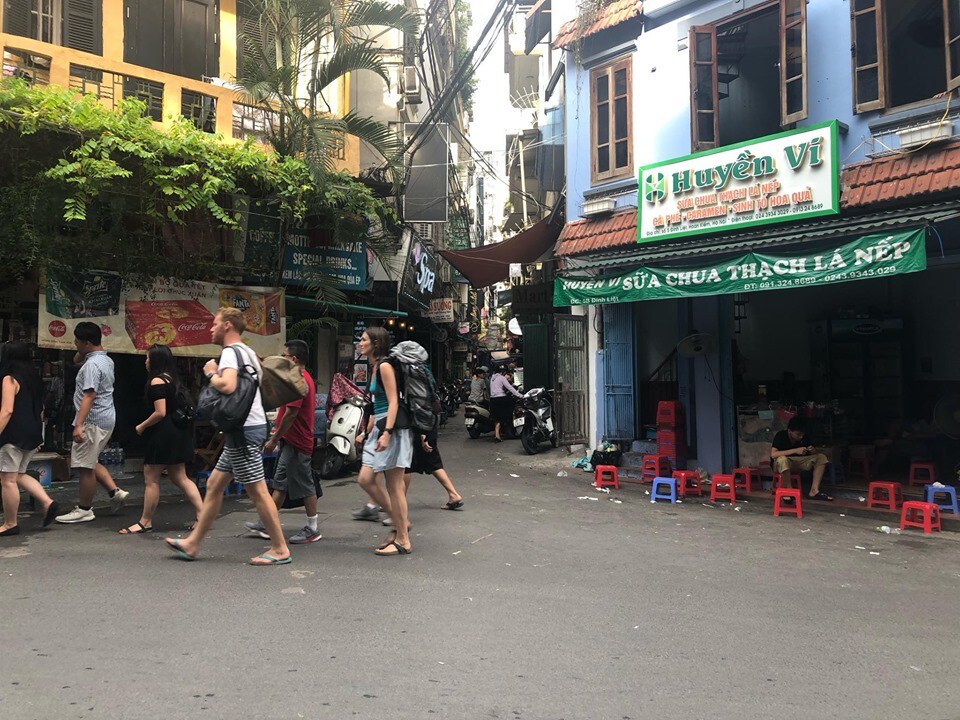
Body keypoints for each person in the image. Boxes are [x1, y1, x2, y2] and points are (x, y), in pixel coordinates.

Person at [164, 307, 291, 565]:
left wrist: (211, 372)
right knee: (214, 485)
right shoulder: (247, 351)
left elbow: (229, 385)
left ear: (227, 326)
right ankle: (193, 543)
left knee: (257, 491)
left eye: (214, 324)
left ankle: (279, 549)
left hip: (244, 431)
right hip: (245, 429)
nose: (210, 328)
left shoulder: (231, 353)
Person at [121, 344, 203, 534]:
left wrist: (141, 426)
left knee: (151, 479)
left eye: (148, 357)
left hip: (162, 435)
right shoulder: (172, 380)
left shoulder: (157, 381)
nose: (146, 361)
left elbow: (160, 412)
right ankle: (202, 515)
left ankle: (145, 521)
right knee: (180, 477)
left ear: (155, 360)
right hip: (177, 433)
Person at [244, 339, 319, 545]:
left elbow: (291, 414)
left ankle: (313, 528)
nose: (282, 358)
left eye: (284, 355)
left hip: (297, 441)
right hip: (290, 440)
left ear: (293, 359)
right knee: (281, 483)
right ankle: (267, 522)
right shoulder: (297, 377)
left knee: (304, 484)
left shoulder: (299, 379)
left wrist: (274, 439)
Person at [56, 322, 128, 524]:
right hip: (105, 416)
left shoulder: (92, 366)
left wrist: (78, 424)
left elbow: (89, 395)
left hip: (92, 419)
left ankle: (85, 508)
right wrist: (82, 351)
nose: (75, 344)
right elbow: (76, 358)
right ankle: (115, 492)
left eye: (77, 341)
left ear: (87, 342)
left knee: (84, 466)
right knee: (90, 459)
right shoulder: (105, 360)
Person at [352, 327, 415, 556]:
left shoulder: (385, 366)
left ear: (375, 344)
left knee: (395, 486)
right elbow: (375, 404)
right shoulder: (375, 366)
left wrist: (387, 432)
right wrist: (368, 432)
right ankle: (400, 525)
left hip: (392, 428)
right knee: (366, 479)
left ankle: (403, 539)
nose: (360, 343)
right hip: (379, 427)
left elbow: (392, 402)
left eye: (364, 339)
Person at [0, 343, 59, 535]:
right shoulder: (33, 379)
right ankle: (47, 502)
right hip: (32, 433)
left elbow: (7, 410)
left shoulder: (9, 379)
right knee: (19, 474)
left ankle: (10, 523)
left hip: (13, 434)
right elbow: (40, 410)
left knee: (7, 480)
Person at [771, 416, 833, 500]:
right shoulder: (781, 435)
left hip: (798, 462)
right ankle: (789, 490)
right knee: (782, 459)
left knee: (821, 457)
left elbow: (813, 452)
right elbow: (773, 454)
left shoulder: (804, 437)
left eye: (802, 434)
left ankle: (814, 490)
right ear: (789, 431)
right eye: (798, 434)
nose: (800, 437)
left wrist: (813, 450)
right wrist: (795, 450)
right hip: (780, 464)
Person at [489, 366, 522, 443]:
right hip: (501, 399)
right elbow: (510, 388)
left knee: (497, 417)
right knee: (511, 409)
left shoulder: (492, 378)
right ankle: (513, 424)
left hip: (493, 399)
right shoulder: (501, 378)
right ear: (503, 372)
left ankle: (497, 435)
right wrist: (520, 395)